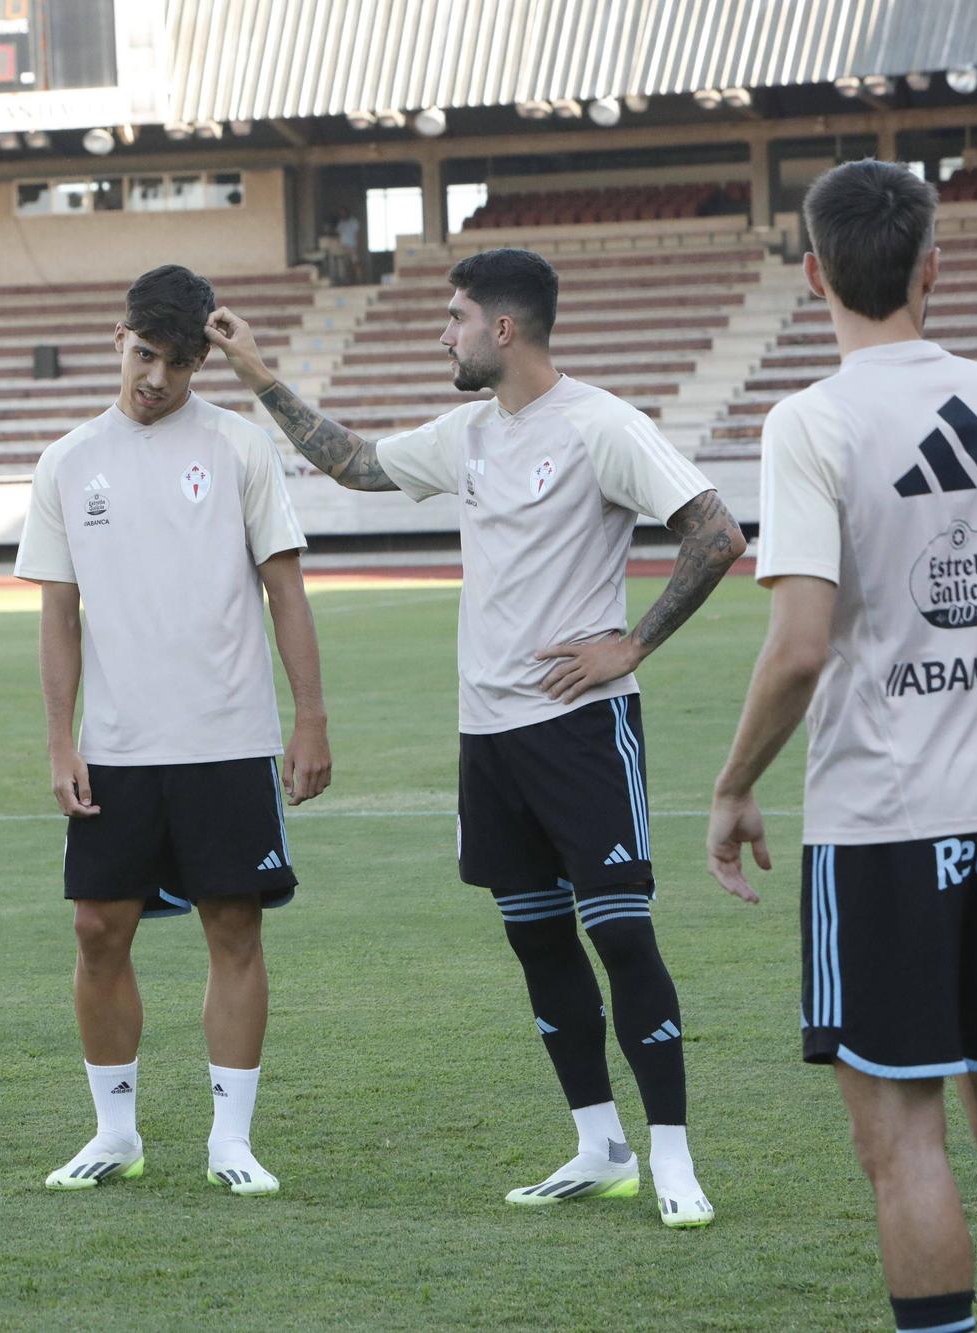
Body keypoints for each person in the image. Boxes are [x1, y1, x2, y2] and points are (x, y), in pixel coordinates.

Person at [204, 247, 745, 1229]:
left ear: (502, 328)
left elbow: (713, 530)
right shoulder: (466, 435)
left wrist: (631, 642)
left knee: (619, 933)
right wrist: (257, 374)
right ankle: (598, 1146)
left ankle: (672, 1157)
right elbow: (356, 463)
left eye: (451, 317)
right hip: (487, 737)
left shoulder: (598, 427)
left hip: (580, 731)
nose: (438, 332)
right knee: (537, 941)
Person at [707, 160, 977, 1333]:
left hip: (876, 826)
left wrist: (731, 785)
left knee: (900, 1132)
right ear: (931, 266)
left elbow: (799, 644)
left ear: (813, 272)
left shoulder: (811, 420)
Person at [15, 263, 330, 1198]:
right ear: (119, 339)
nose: (157, 379)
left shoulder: (238, 447)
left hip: (229, 738)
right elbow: (59, 615)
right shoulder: (68, 461)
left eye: (180, 364)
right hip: (116, 747)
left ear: (203, 361)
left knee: (234, 928)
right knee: (97, 929)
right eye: (146, 355)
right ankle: (115, 1132)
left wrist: (309, 716)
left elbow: (285, 588)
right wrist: (61, 740)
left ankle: (231, 1141)